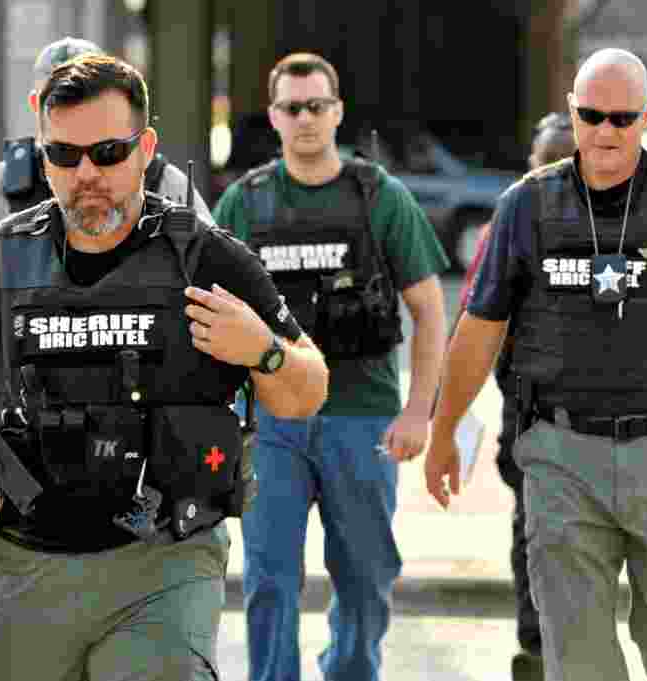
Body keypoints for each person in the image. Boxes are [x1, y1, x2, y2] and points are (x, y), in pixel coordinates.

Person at [0, 54, 329, 681]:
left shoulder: (207, 260)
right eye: (64, 156)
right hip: (25, 563)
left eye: (109, 152)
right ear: (44, 157)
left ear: (145, 148)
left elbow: (305, 391)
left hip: (165, 565)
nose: (87, 173)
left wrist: (264, 349)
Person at [425, 48, 647, 681]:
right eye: (590, 115)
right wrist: (443, 431)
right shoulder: (527, 207)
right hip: (562, 457)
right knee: (578, 659)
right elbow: (480, 328)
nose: (604, 132)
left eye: (621, 119)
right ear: (572, 112)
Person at [212, 53, 448, 681]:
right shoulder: (244, 204)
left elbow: (430, 310)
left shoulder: (380, 198)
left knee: (367, 581)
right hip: (270, 427)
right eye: (292, 107)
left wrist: (419, 412)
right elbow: (207, 318)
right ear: (275, 116)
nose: (306, 118)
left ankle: (349, 671)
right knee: (268, 582)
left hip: (362, 420)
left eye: (317, 105)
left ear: (338, 112)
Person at [0, 36, 214, 329]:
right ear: (36, 104)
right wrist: (9, 254)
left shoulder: (160, 179)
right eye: (60, 96)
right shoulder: (1, 186)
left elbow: (220, 286)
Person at [455, 110, 576, 671]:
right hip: (528, 414)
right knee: (533, 531)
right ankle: (537, 646)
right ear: (531, 167)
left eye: (563, 162)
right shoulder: (503, 227)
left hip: (597, 415)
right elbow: (471, 327)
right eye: (546, 162)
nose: (554, 174)